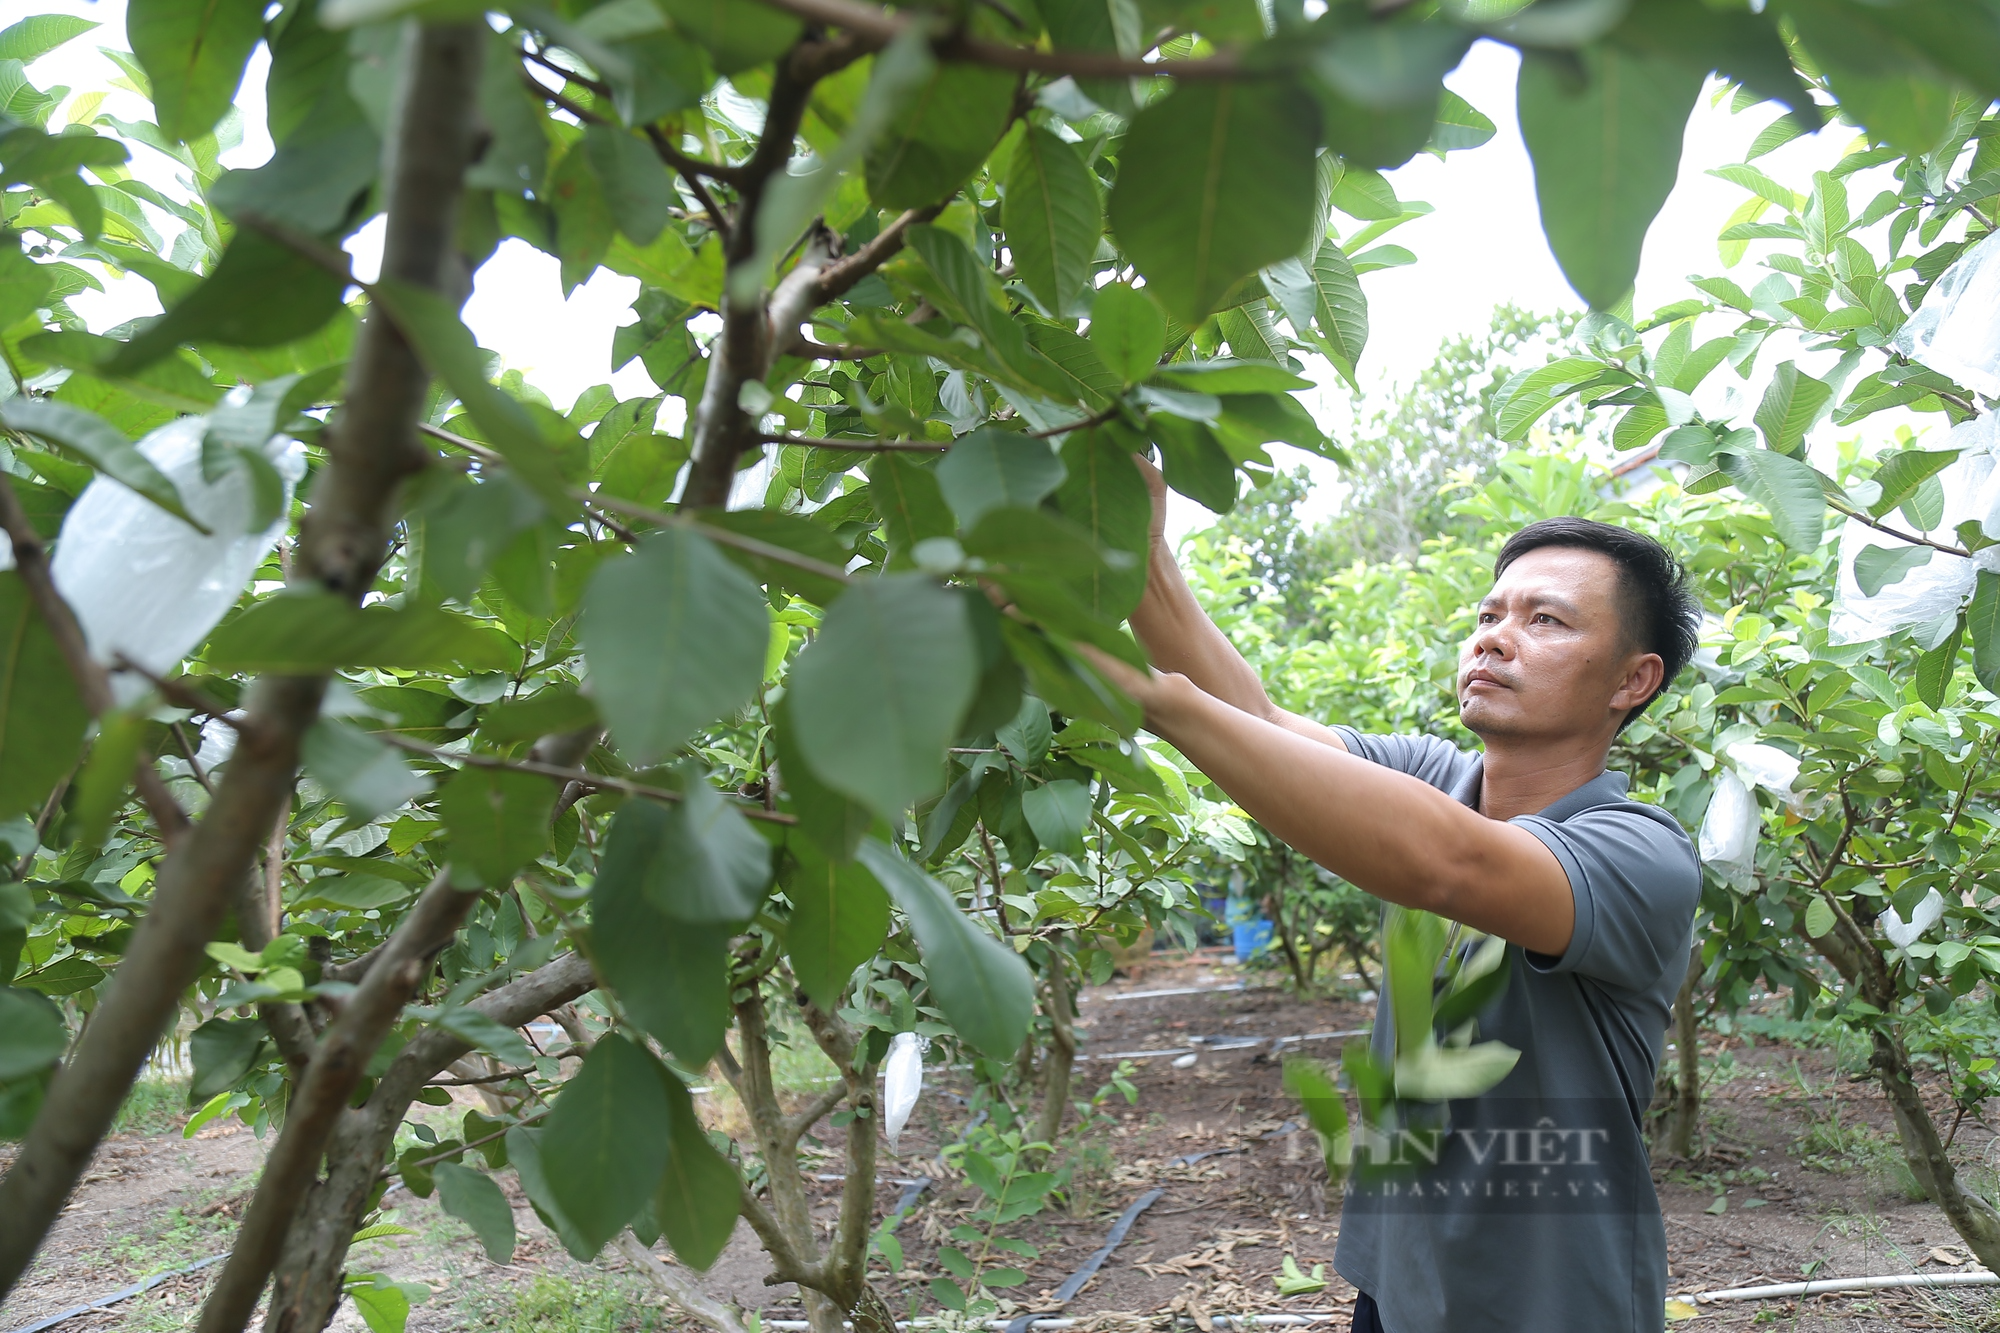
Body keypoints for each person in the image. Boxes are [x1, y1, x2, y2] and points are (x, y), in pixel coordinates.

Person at [1098, 458, 1703, 1333]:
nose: (1494, 638)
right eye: (1490, 614)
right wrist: (1143, 551)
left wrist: (1149, 700)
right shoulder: (1437, 777)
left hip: (1546, 1302)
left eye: (1546, 620)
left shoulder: (1641, 852)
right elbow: (1261, 725)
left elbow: (1447, 865)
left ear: (1631, 680)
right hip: (1399, 1277)